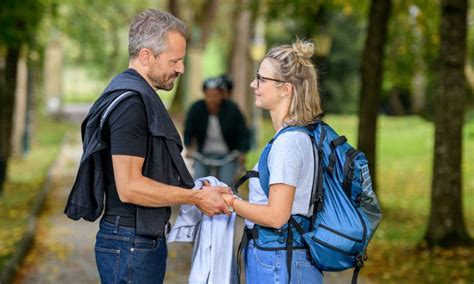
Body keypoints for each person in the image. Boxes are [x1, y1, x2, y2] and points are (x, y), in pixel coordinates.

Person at [65, 9, 231, 284]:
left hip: (135, 241)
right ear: (145, 56)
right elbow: (129, 187)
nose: (181, 68)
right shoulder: (131, 105)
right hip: (130, 245)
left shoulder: (134, 93)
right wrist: (195, 198)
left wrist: (197, 190)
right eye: (174, 60)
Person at [222, 39, 324, 283]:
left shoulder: (288, 143)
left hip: (278, 261)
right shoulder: (299, 135)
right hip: (283, 256)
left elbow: (277, 216)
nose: (253, 84)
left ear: (285, 89)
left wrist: (231, 202)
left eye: (261, 79)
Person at [184, 75, 250, 186]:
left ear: (222, 95)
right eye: (209, 95)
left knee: (226, 185)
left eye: (216, 95)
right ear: (204, 94)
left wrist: (242, 151)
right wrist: (189, 147)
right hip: (203, 155)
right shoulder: (196, 108)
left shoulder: (232, 109)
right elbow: (188, 130)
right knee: (199, 184)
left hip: (227, 156)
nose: (212, 99)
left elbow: (242, 132)